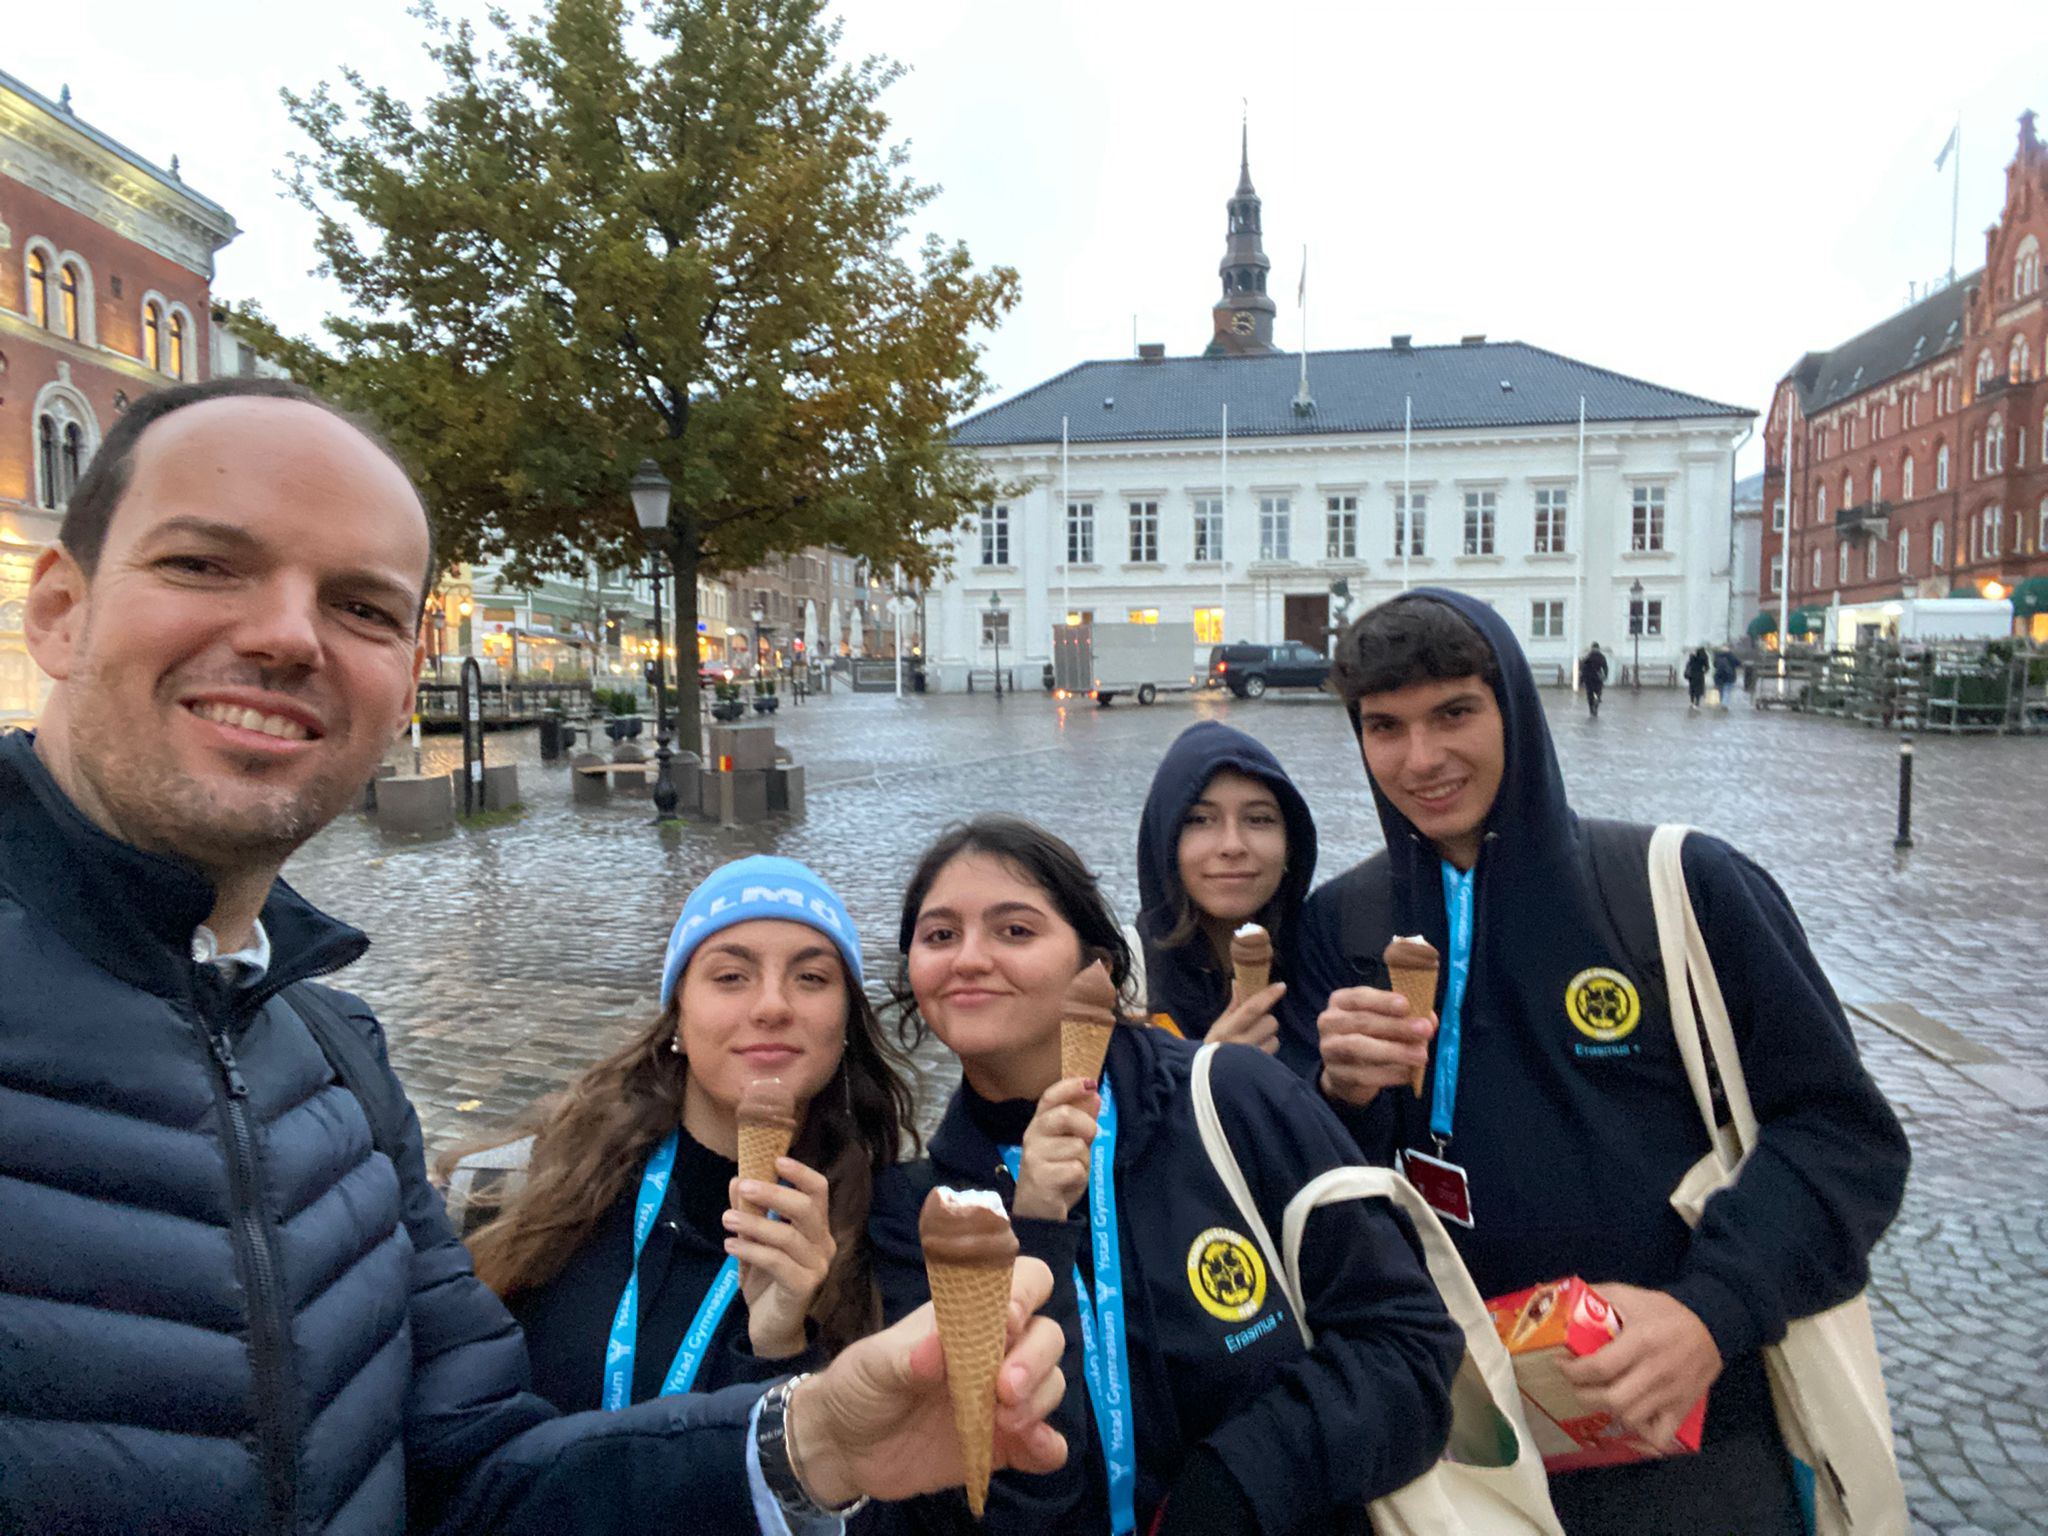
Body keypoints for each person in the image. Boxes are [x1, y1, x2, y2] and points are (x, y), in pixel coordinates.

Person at [0, 376, 1069, 1533]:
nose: (282, 634)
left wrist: (798, 1441)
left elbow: (475, 1485)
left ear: (405, 681)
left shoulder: (339, 1074)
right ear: (59, 607)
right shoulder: (524, 1185)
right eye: (205, 564)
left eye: (360, 605)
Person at [1291, 590, 1909, 1536]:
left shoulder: (1681, 886)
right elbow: (1330, 1196)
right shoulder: (1343, 924)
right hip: (1464, 1437)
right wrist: (1341, 1095)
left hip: (1680, 1428)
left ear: (1517, 712)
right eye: (1385, 727)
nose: (1421, 760)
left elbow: (1843, 1136)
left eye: (1455, 713)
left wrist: (1711, 1312)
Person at [866, 815, 1462, 1535]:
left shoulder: (1233, 1101)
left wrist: (1236, 1484)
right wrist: (1037, 1231)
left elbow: (1412, 1350)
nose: (969, 958)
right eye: (939, 937)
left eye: (1015, 931)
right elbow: (980, 1506)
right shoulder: (918, 1211)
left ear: (1098, 967)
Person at [450, 856, 915, 1414]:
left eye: (811, 977)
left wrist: (780, 1351)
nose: (772, 1005)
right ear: (678, 1019)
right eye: (730, 977)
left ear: (845, 1025)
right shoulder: (508, 1197)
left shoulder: (889, 1244)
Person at [1133, 721, 1316, 1065]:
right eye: (1200, 820)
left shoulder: (1332, 962)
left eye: (1259, 819)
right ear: (1164, 843)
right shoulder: (1122, 982)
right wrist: (1204, 1071)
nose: (1232, 845)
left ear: (1292, 844)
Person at [1577, 641, 1608, 717]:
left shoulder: (1588, 656)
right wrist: (1605, 676)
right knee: (1598, 692)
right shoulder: (1602, 657)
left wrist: (1581, 679)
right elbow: (1605, 667)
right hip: (1598, 677)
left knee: (1590, 694)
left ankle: (1591, 710)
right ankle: (1596, 704)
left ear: (1591, 648)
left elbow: (1582, 667)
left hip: (1589, 678)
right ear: (1598, 648)